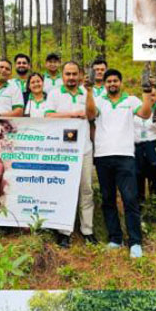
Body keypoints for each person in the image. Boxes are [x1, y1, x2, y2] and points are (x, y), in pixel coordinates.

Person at [85, 68, 154, 258]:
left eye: (115, 81)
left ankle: (135, 242)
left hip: (125, 156)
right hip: (103, 156)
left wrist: (147, 92)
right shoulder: (98, 100)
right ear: (105, 84)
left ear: (120, 82)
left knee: (129, 199)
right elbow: (90, 115)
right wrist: (89, 92)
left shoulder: (130, 100)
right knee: (108, 199)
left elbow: (146, 114)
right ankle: (115, 238)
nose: (112, 84)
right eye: (109, 81)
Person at [46, 61, 96, 248]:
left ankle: (88, 230)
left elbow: (92, 115)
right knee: (64, 191)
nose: (71, 77)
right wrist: (72, 115)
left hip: (84, 149)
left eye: (74, 74)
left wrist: (89, 93)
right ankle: (63, 231)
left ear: (81, 75)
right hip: (62, 151)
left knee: (86, 190)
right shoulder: (54, 93)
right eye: (68, 74)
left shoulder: (88, 92)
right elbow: (48, 116)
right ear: (62, 75)